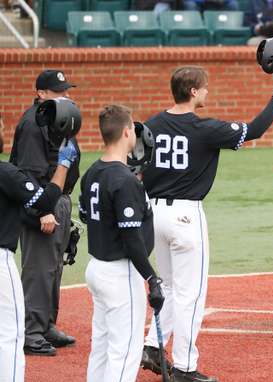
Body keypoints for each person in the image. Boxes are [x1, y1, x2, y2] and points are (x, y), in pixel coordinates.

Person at [138, 66, 273, 382]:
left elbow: (134, 167)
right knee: (189, 293)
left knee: (166, 285)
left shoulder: (150, 124)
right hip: (186, 217)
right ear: (193, 92)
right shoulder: (204, 128)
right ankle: (184, 367)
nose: (208, 92)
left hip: (154, 214)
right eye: (205, 88)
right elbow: (254, 130)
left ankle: (152, 346)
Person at [78, 104, 165, 382]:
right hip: (119, 274)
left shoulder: (92, 171)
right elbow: (131, 239)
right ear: (127, 131)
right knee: (124, 352)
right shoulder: (124, 180)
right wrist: (151, 278)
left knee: (102, 349)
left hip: (97, 269)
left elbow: (85, 214)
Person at [0, 111, 77, 382]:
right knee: (10, 329)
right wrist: (63, 166)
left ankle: (43, 326)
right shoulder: (6, 173)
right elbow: (44, 200)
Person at [9, 70, 81, 357]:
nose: (65, 95)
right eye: (58, 92)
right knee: (39, 270)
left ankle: (46, 325)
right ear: (41, 94)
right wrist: (42, 211)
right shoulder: (33, 122)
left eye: (66, 90)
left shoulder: (57, 120)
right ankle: (31, 333)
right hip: (42, 206)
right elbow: (28, 173)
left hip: (58, 201)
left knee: (53, 269)